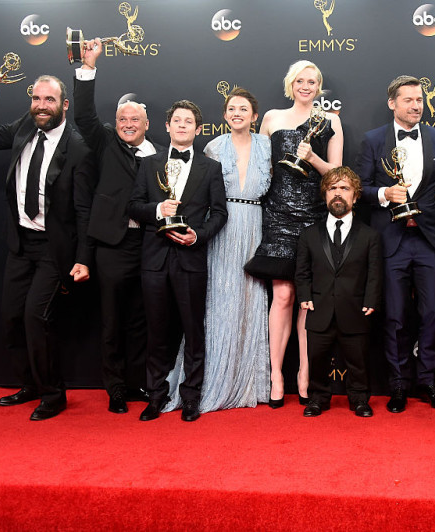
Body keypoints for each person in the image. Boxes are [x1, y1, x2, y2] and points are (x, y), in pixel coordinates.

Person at [0, 74, 94, 420]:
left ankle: (54, 395)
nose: (41, 105)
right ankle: (31, 384)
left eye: (49, 100)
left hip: (55, 249)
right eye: (36, 98)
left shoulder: (78, 149)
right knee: (11, 317)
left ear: (64, 105)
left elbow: (84, 211)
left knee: (36, 317)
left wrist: (83, 259)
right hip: (20, 242)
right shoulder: (25, 126)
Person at [162, 88, 272, 412]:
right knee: (216, 304)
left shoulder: (266, 145)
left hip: (254, 227)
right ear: (225, 116)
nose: (237, 113)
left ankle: (248, 382)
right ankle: (205, 383)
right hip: (221, 231)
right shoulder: (212, 146)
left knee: (250, 302)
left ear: (254, 116)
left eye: (244, 109)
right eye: (231, 109)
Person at [244, 60, 343, 408]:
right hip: (278, 216)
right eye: (300, 81)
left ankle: (305, 372)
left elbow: (337, 174)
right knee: (283, 296)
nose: (306, 86)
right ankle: (276, 375)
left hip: (314, 217)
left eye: (312, 81)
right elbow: (260, 166)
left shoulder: (331, 121)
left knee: (307, 300)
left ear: (319, 87)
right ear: (290, 84)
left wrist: (313, 158)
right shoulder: (271, 118)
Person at [355, 75, 435, 413]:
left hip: (429, 240)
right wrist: (385, 194)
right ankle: (398, 385)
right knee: (396, 316)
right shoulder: (372, 141)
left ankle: (428, 382)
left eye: (419, 100)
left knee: (432, 313)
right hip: (391, 240)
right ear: (392, 104)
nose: (416, 106)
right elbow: (359, 189)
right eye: (409, 100)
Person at [73, 38, 161, 414]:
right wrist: (88, 67)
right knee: (112, 320)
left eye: (134, 120)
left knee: (141, 320)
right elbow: (84, 116)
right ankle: (115, 389)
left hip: (149, 245)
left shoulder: (159, 155)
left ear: (146, 124)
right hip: (111, 244)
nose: (128, 124)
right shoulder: (105, 141)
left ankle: (137, 382)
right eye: (122, 119)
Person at [127, 100, 227, 422]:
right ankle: (155, 396)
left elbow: (221, 213)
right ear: (167, 127)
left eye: (189, 122)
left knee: (193, 331)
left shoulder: (210, 168)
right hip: (154, 260)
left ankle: (191, 397)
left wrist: (198, 236)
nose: (182, 125)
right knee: (156, 330)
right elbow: (133, 206)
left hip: (191, 258)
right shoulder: (148, 164)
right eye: (177, 121)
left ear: (198, 130)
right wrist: (158, 211)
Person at [295, 166, 382, 417]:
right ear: (325, 195)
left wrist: (371, 299)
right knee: (317, 358)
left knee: (358, 360)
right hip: (318, 309)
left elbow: (375, 272)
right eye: (332, 188)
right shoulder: (309, 234)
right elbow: (302, 272)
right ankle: (317, 398)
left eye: (344, 188)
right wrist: (304, 297)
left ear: (355, 196)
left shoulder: (370, 236)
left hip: (356, 309)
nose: (338, 193)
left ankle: (359, 399)